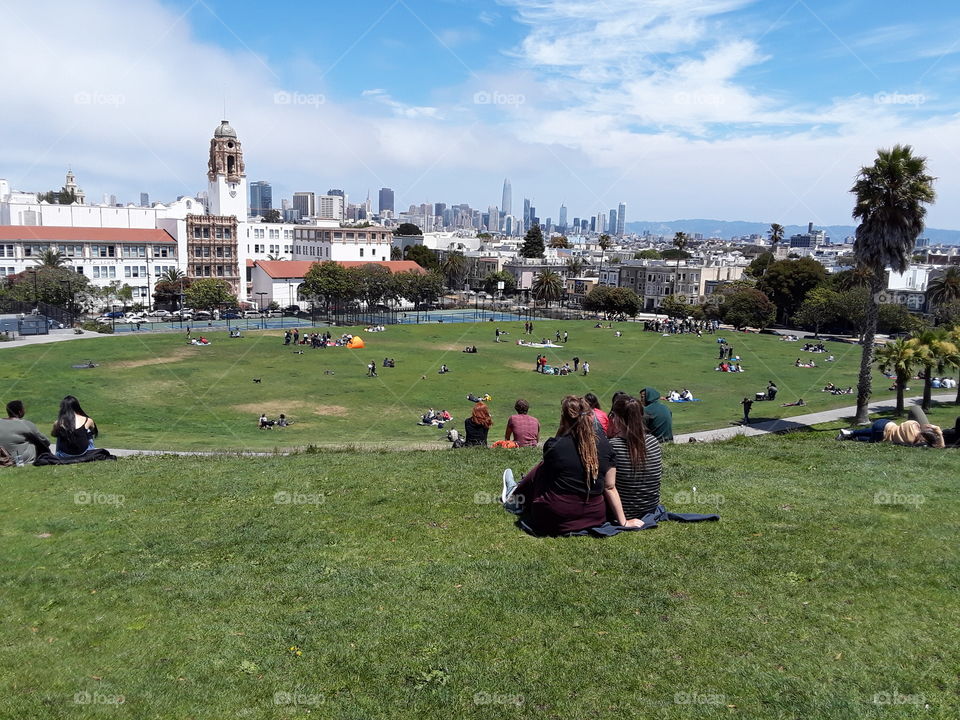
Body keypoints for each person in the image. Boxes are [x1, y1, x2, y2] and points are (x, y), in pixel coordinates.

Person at [501, 395, 638, 535]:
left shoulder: (554, 446)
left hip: (555, 517)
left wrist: (562, 429)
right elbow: (610, 487)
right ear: (591, 417)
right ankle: (514, 494)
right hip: (595, 517)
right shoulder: (605, 446)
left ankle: (514, 495)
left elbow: (545, 477)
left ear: (564, 419)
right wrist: (624, 522)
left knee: (542, 469)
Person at [607, 395, 663, 520]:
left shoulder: (613, 446)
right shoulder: (653, 441)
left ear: (618, 419)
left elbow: (607, 486)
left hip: (623, 512)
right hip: (650, 509)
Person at [0, 400, 51, 465]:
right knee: (34, 442)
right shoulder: (26, 424)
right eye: (24, 409)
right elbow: (46, 442)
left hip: (1, 457)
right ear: (20, 412)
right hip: (16, 459)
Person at [837, 417, 944, 447]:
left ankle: (851, 432)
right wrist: (939, 434)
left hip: (884, 423)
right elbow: (940, 447)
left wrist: (933, 427)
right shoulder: (913, 442)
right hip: (881, 435)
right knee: (871, 440)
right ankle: (851, 437)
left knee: (874, 430)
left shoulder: (913, 424)